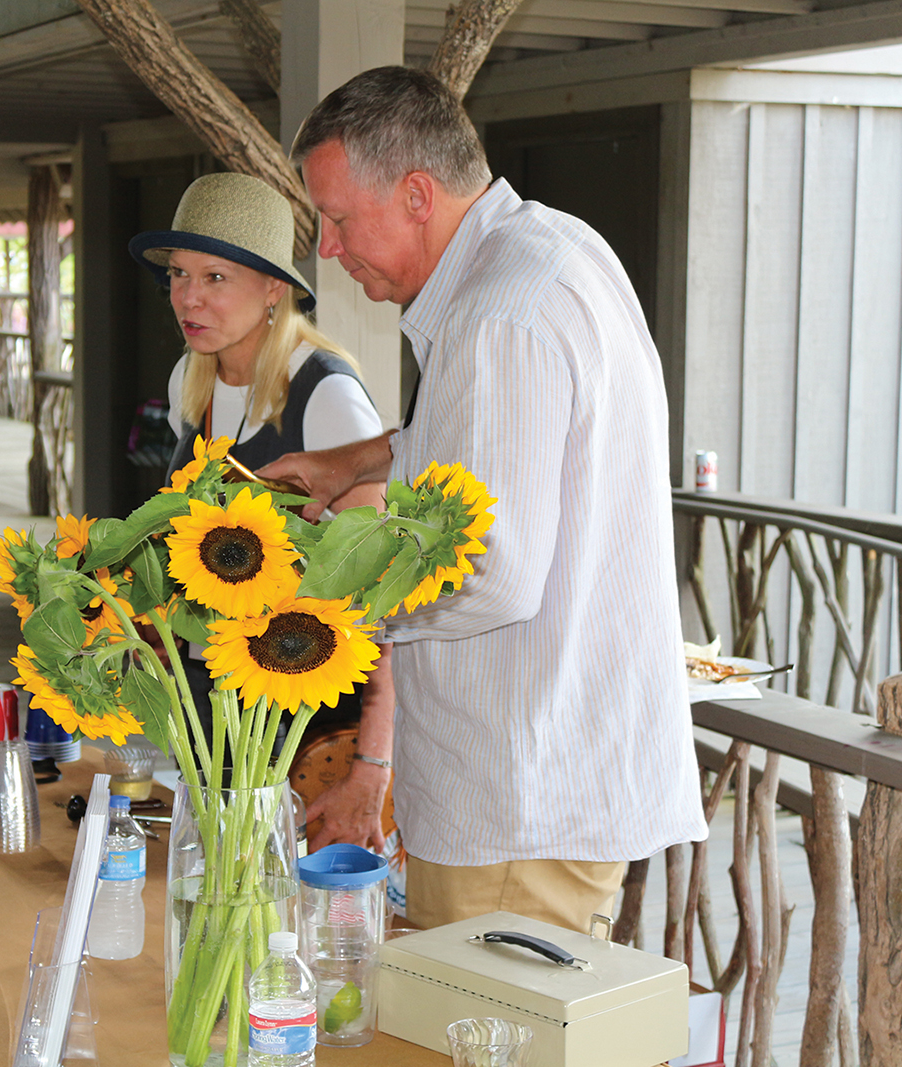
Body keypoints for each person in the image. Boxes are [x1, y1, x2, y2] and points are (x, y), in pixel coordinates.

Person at [262, 66, 707, 934]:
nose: (327, 247)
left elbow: (489, 574)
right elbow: (483, 456)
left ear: (418, 194)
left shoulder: (496, 316)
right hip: (544, 778)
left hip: (515, 796)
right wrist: (349, 460)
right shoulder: (549, 248)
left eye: (341, 217)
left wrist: (327, 604)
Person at [128, 171, 391, 805]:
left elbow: (380, 595)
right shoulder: (190, 379)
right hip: (205, 690)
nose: (189, 299)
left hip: (298, 711)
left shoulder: (324, 393)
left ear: (273, 288)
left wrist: (373, 766)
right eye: (179, 276)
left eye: (215, 278)